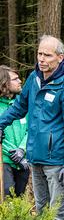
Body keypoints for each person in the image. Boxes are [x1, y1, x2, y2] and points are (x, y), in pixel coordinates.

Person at [0, 35, 64, 220]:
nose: (42, 59)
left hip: (57, 161)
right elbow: (20, 107)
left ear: (60, 58)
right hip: (35, 157)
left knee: (60, 213)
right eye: (39, 53)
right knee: (42, 210)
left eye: (47, 55)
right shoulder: (33, 79)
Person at [0, 66, 29, 198]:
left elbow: (30, 129)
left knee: (20, 197)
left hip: (23, 159)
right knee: (7, 196)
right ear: (4, 83)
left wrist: (22, 150)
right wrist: (13, 153)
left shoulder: (22, 104)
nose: (20, 81)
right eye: (15, 79)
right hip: (4, 160)